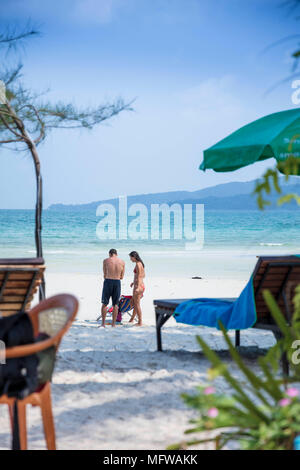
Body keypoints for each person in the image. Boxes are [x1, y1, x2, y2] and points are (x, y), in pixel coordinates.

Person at [101, 249, 125, 327]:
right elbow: (122, 276)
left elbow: (104, 274)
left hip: (108, 281)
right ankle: (113, 324)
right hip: (117, 282)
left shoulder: (106, 260)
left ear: (109, 254)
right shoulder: (122, 262)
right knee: (115, 304)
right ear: (116, 254)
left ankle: (103, 324)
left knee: (105, 303)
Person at [128, 251, 145, 326]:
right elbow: (143, 275)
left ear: (134, 257)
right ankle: (132, 319)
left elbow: (140, 276)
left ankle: (140, 322)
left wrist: (137, 286)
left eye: (131, 257)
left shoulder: (138, 264)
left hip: (138, 286)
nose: (130, 259)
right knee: (135, 303)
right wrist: (133, 282)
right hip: (139, 285)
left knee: (137, 304)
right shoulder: (140, 263)